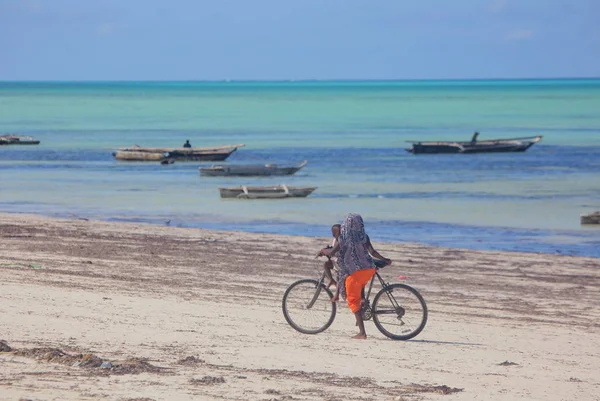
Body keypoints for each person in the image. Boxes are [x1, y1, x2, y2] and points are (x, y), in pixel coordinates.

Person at [319, 214, 391, 339]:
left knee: (352, 300)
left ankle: (362, 333)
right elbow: (372, 252)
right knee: (358, 293)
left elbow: (332, 252)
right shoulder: (364, 236)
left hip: (355, 272)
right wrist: (385, 259)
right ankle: (362, 308)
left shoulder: (344, 238)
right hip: (369, 269)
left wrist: (323, 251)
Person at [323, 224, 341, 288]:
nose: (333, 235)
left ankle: (337, 294)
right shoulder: (335, 239)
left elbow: (332, 252)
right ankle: (331, 280)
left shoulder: (340, 241)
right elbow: (333, 249)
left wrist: (324, 252)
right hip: (336, 261)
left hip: (340, 264)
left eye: (334, 233)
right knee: (326, 264)